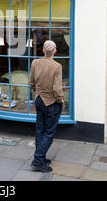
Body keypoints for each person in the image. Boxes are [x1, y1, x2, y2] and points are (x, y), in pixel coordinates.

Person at [29, 40, 64, 173]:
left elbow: (31, 81)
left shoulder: (35, 62)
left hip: (38, 99)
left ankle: (41, 157)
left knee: (39, 130)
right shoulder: (57, 66)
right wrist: (61, 100)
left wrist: (36, 91)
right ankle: (38, 160)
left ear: (43, 51)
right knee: (49, 132)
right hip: (51, 102)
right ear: (55, 51)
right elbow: (57, 88)